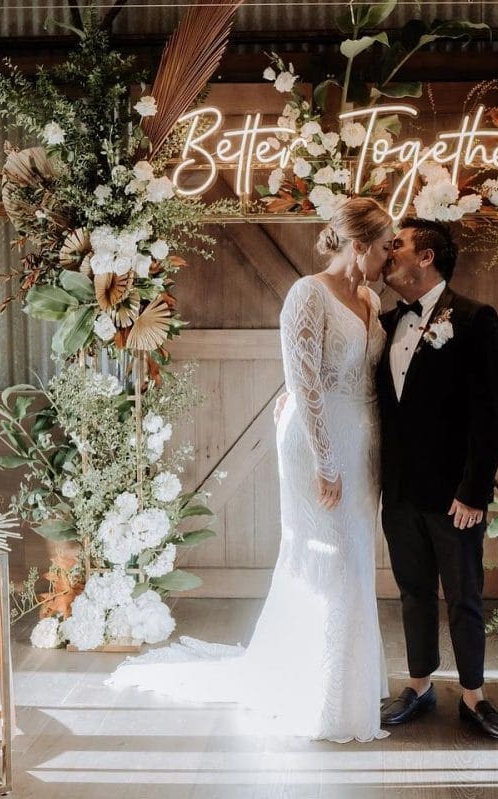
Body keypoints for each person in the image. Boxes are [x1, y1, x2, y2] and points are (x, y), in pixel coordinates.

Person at [109, 197, 395, 743]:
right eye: (383, 247)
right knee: (325, 557)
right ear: (358, 245)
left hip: (366, 440)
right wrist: (326, 462)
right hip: (320, 442)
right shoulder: (306, 295)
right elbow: (304, 380)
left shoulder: (370, 299)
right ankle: (323, 693)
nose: (388, 257)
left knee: (356, 556)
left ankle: (355, 678)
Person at [376, 218, 498, 740]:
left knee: (465, 595)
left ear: (427, 257)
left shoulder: (476, 319)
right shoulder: (388, 322)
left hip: (455, 495)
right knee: (413, 591)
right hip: (400, 491)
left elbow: (490, 410)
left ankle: (475, 696)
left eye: (399, 246)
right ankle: (418, 685)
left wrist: (475, 491)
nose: (390, 254)